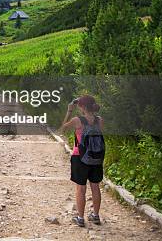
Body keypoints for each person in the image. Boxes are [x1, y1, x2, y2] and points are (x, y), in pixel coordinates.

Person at [59, 95, 104, 228]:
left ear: (83, 107)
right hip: (96, 158)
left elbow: (63, 129)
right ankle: (95, 216)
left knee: (81, 188)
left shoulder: (77, 120)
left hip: (80, 157)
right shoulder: (100, 120)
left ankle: (80, 218)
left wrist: (69, 110)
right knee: (95, 186)